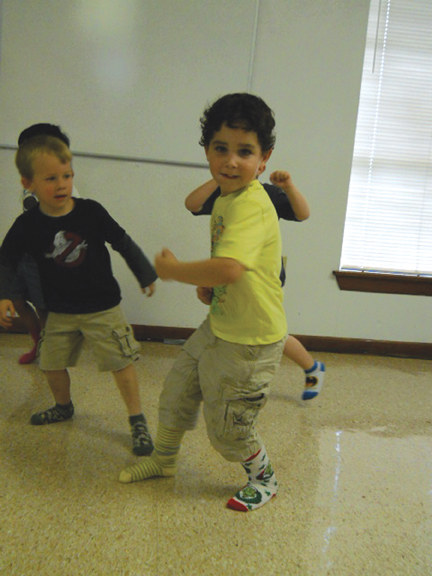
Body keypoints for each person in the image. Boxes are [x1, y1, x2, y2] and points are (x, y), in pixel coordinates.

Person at [119, 92, 289, 512]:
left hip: (250, 341)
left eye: (244, 152)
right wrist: (211, 286)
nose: (230, 161)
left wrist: (175, 270)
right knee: (176, 392)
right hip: (221, 324)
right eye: (220, 148)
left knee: (230, 428)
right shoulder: (228, 197)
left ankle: (264, 479)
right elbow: (236, 267)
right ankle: (164, 460)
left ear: (264, 159)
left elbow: (229, 267)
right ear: (207, 150)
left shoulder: (251, 204)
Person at [0, 134, 157, 456]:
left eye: (67, 175)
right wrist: (4, 294)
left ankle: (137, 419)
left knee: (121, 361)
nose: (61, 184)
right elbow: (7, 259)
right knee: (50, 363)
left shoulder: (91, 211)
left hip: (102, 307)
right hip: (59, 310)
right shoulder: (27, 224)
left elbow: (122, 241)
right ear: (28, 183)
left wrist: (145, 271)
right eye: (51, 178)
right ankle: (63, 406)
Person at [184, 169, 325, 400]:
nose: (234, 164)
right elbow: (192, 204)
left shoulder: (268, 194)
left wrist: (288, 187)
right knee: (231, 326)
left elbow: (302, 213)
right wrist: (219, 178)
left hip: (261, 277)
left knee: (267, 333)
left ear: (261, 164)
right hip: (229, 274)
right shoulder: (222, 194)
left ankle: (312, 367)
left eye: (244, 154)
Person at [11, 124, 74, 365]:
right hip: (25, 254)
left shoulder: (63, 187)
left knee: (44, 307)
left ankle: (50, 352)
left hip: (46, 259)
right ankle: (38, 342)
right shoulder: (31, 182)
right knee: (16, 298)